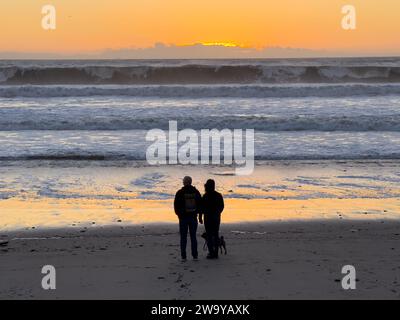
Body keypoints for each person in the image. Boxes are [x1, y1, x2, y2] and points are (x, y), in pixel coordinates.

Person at [174, 176, 202, 261]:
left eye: (183, 181)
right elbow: (200, 205)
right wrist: (200, 216)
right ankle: (195, 256)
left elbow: (176, 206)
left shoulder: (180, 192)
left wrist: (179, 215)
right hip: (193, 217)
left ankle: (183, 256)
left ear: (184, 182)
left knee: (183, 237)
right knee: (193, 237)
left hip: (183, 218)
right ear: (191, 182)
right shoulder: (196, 192)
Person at [199, 179, 224, 259]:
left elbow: (201, 208)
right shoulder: (218, 195)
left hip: (208, 218)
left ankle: (211, 252)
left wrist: (200, 217)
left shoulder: (205, 196)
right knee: (216, 234)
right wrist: (218, 213)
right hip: (216, 218)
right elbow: (222, 206)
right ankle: (215, 253)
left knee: (209, 235)